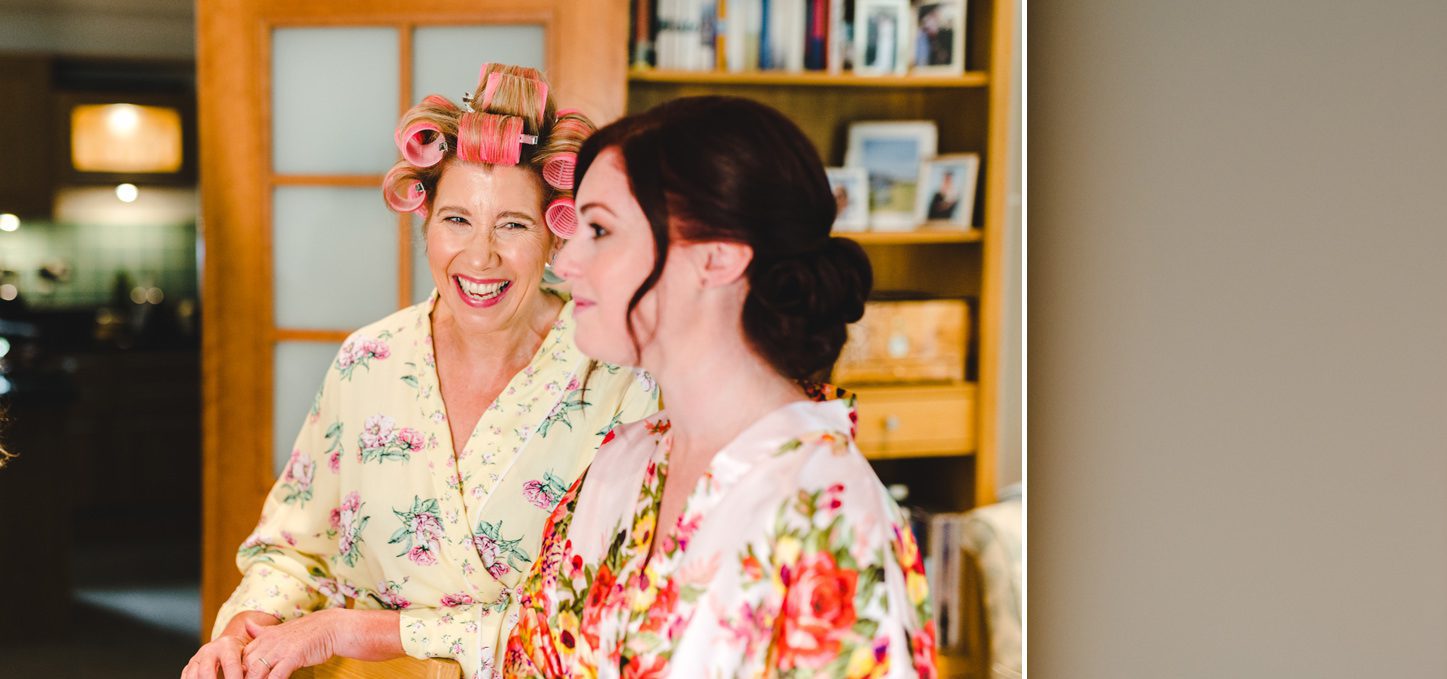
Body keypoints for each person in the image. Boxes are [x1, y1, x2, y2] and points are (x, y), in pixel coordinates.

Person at [183, 63, 659, 679]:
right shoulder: (369, 362)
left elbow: (610, 611)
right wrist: (251, 623)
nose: (480, 256)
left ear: (554, 236)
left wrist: (357, 629)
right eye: (457, 220)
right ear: (425, 222)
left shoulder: (620, 378)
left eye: (512, 225)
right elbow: (295, 549)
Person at [499, 96, 936, 677]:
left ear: (718, 257)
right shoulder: (619, 464)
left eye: (600, 229)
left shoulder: (829, 514)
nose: (566, 260)